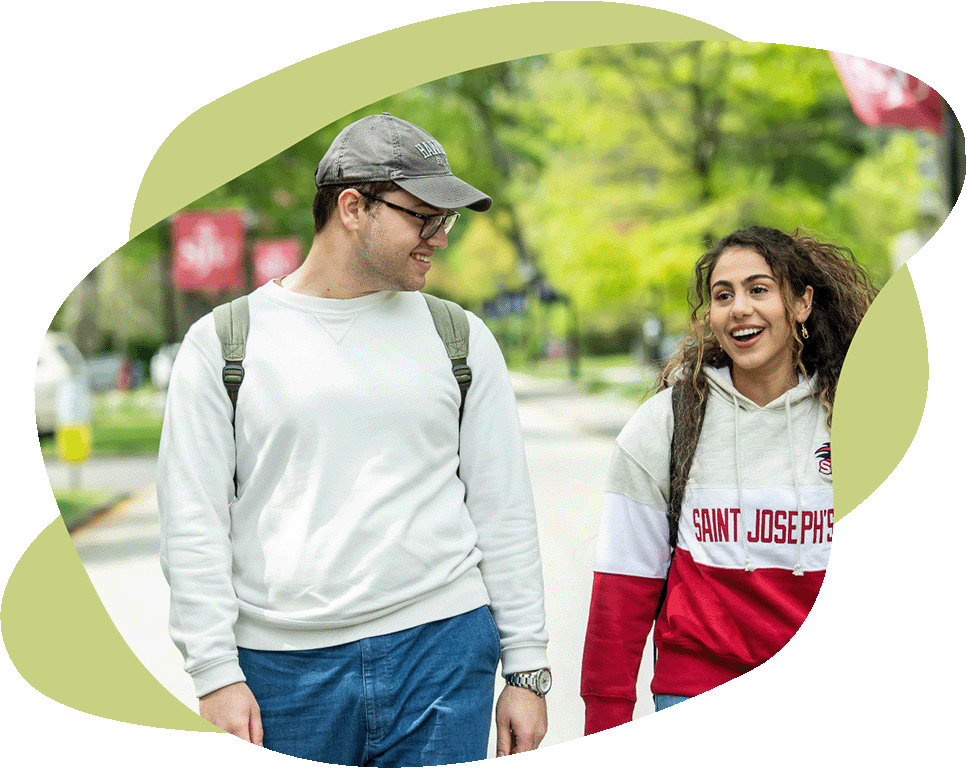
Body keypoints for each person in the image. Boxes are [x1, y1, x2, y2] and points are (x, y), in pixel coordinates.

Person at [158, 113, 550, 766]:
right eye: (423, 218)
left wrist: (527, 670)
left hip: (441, 650)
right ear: (352, 207)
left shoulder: (458, 337)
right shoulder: (224, 343)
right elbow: (192, 521)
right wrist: (214, 672)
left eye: (445, 222)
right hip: (280, 673)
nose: (439, 239)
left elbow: (502, 508)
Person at [580, 226, 877, 732]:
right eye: (723, 296)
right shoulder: (666, 424)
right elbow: (622, 585)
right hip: (697, 695)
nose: (739, 308)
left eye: (759, 289)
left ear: (802, 303)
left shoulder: (860, 419)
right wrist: (605, 723)